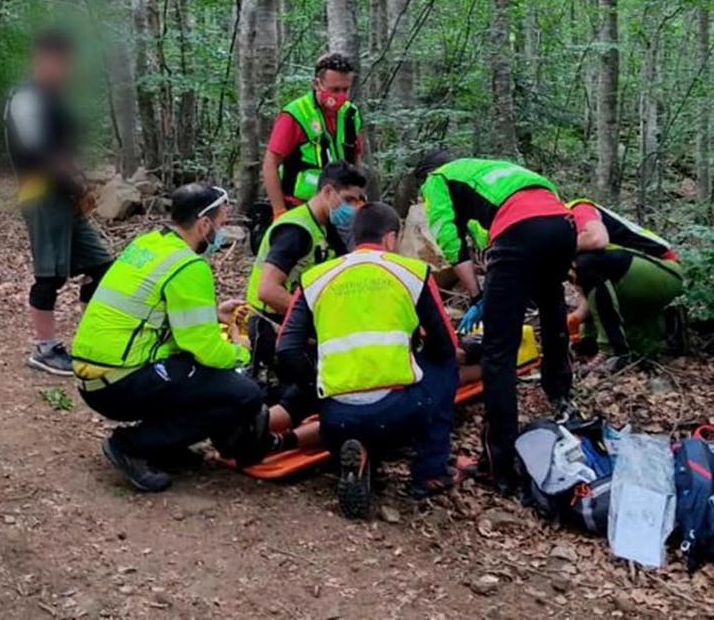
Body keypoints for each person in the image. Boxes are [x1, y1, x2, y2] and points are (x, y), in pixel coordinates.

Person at [71, 184, 267, 492]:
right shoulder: (189, 265)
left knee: (196, 375)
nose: (221, 234)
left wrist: (212, 313)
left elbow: (152, 308)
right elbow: (205, 349)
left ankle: (165, 445)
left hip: (93, 376)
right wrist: (243, 354)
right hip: (121, 380)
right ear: (204, 224)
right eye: (220, 224)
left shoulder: (148, 244)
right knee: (244, 393)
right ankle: (131, 446)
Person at [277, 202, 458, 518]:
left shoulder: (315, 278)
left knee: (357, 411)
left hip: (335, 417)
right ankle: (429, 472)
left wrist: (317, 382)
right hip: (400, 412)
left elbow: (287, 348)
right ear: (390, 238)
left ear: (353, 237)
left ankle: (361, 449)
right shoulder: (412, 273)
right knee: (445, 366)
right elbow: (445, 346)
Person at [415, 153, 576, 493]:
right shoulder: (488, 171)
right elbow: (483, 231)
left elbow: (449, 234)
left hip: (520, 228)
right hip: (562, 224)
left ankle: (498, 465)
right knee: (552, 310)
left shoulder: (438, 179)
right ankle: (560, 394)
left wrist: (476, 294)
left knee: (498, 353)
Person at [4, 29, 112, 375]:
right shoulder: (26, 97)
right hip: (41, 195)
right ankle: (45, 349)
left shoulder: (54, 98)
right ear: (41, 59)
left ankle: (89, 341)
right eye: (58, 61)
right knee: (49, 276)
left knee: (101, 267)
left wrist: (79, 181)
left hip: (63, 196)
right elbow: (41, 152)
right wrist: (77, 184)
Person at [245, 162, 367, 439]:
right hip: (273, 326)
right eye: (347, 199)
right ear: (327, 191)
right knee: (321, 384)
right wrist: (319, 318)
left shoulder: (325, 228)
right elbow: (268, 289)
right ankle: (259, 427)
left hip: (299, 325)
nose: (351, 208)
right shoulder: (296, 231)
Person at [567, 199, 685, 371]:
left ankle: (614, 351)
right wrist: (575, 318)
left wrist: (555, 247)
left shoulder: (578, 209)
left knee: (588, 262)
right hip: (636, 278)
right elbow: (591, 293)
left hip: (666, 270)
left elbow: (597, 239)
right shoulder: (571, 247)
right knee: (591, 338)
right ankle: (667, 327)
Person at [262, 52, 364, 218]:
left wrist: (358, 196)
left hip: (340, 208)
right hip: (300, 207)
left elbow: (356, 158)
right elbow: (270, 164)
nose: (341, 96)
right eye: (335, 90)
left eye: (345, 90)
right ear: (317, 84)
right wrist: (279, 211)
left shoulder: (350, 114)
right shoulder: (295, 114)